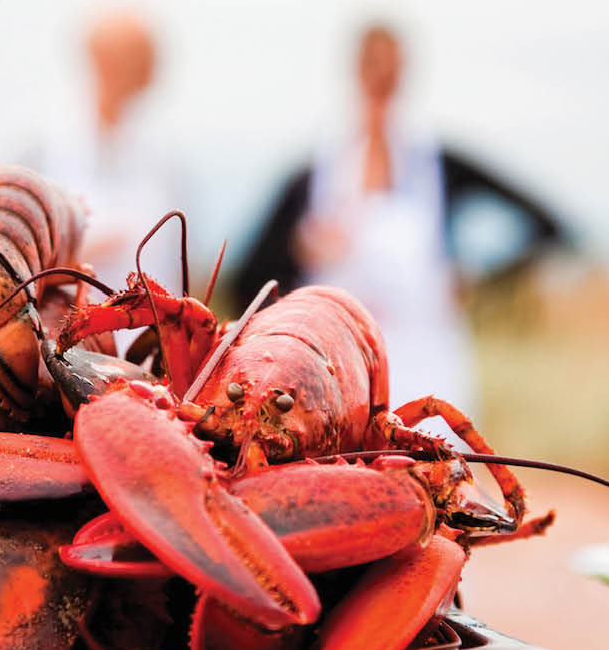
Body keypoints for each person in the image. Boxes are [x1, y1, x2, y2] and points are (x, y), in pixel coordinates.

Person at [233, 23, 566, 412]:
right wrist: (298, 254)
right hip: (335, 377)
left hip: (427, 368)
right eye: (373, 68)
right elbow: (248, 279)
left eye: (390, 70)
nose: (381, 81)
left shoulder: (442, 166)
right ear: (355, 71)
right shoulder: (309, 178)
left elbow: (548, 225)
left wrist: (479, 276)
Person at [37, 10, 181, 290]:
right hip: (53, 327)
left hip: (150, 330)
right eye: (136, 60)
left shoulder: (165, 157)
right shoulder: (34, 145)